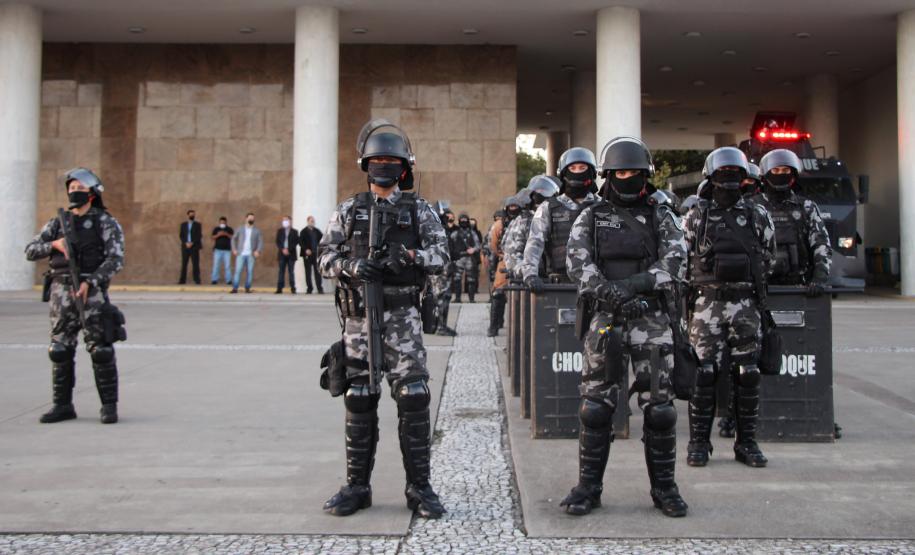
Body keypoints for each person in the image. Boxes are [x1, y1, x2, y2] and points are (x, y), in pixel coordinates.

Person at [318, 119, 448, 519]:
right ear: (366, 165)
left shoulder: (419, 210)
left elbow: (442, 255)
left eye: (392, 161)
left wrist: (408, 257)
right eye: (378, 160)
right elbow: (324, 257)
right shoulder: (349, 209)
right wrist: (353, 267)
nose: (384, 166)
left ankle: (419, 487)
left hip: (403, 317)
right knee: (359, 397)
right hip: (359, 319)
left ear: (404, 167)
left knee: (413, 396)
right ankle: (357, 487)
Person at [560, 137, 689, 518]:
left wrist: (634, 286)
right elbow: (577, 264)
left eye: (634, 172)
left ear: (646, 175)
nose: (627, 178)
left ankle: (665, 489)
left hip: (652, 319)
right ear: (608, 175)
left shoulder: (662, 215)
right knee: (595, 408)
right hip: (606, 319)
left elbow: (676, 261)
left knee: (660, 409)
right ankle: (588, 488)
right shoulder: (591, 215)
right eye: (620, 173)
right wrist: (610, 293)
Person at [682, 146, 776, 469]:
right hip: (707, 304)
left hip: (745, 304)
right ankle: (698, 443)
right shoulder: (697, 216)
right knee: (704, 374)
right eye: (723, 173)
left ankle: (746, 442)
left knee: (747, 373)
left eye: (735, 173)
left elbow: (768, 257)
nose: (729, 179)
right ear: (711, 177)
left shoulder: (757, 215)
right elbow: (683, 259)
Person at [25, 167, 125, 424]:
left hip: (92, 294)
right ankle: (62, 405)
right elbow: (31, 250)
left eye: (80, 189)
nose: (75, 192)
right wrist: (54, 245)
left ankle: (109, 407)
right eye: (72, 188)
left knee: (101, 350)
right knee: (59, 350)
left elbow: (115, 259)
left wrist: (91, 282)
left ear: (92, 193)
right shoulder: (58, 223)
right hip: (61, 293)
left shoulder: (105, 222)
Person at [520, 149, 600, 292]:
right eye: (572, 168)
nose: (577, 172)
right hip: (560, 286)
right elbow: (535, 242)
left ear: (591, 172)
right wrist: (530, 274)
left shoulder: (602, 206)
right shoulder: (549, 207)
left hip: (598, 286)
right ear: (563, 173)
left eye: (582, 168)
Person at [502, 176, 559, 284]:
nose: (540, 196)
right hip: (534, 281)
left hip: (563, 278)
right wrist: (529, 273)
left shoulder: (562, 215)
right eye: (537, 192)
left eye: (544, 192)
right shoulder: (524, 221)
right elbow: (512, 254)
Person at [487, 194, 525, 337]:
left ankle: (519, 329)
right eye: (511, 206)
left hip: (523, 262)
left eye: (516, 206)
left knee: (521, 294)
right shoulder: (499, 224)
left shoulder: (525, 221)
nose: (513, 209)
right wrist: (502, 256)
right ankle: (494, 326)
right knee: (498, 293)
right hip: (505, 261)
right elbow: (493, 244)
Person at [428, 201, 456, 336]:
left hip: (439, 269)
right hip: (440, 270)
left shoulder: (435, 228)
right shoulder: (439, 229)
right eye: (445, 215)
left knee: (437, 297)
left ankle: (435, 325)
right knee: (442, 297)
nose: (448, 217)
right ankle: (440, 327)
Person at [450, 212, 482, 303]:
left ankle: (471, 299)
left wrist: (473, 249)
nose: (463, 221)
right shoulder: (455, 233)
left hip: (469, 258)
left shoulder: (472, 233)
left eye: (465, 220)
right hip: (458, 258)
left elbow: (478, 245)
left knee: (471, 279)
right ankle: (457, 298)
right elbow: (450, 245)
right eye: (462, 220)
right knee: (457, 279)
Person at [231, 213, 263, 294]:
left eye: (253, 218)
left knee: (250, 271)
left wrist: (258, 250)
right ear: (246, 219)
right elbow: (233, 239)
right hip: (240, 253)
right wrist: (234, 249)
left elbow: (260, 241)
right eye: (250, 218)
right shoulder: (240, 229)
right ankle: (235, 288)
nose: (251, 219)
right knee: (238, 271)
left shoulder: (257, 230)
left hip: (251, 254)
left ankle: (247, 288)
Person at [300, 215, 324, 294]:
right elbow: (301, 242)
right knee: (308, 272)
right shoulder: (303, 231)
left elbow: (322, 240)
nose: (313, 222)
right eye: (311, 221)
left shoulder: (317, 231)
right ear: (308, 222)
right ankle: (309, 289)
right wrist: (306, 249)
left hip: (316, 254)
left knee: (317, 272)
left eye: (313, 221)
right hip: (307, 255)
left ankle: (319, 288)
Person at [275, 215, 299, 294]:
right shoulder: (280, 231)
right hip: (282, 254)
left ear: (290, 221)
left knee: (291, 271)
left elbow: (296, 242)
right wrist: (283, 249)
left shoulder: (295, 231)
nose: (284, 221)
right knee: (281, 271)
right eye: (283, 220)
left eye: (286, 220)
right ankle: (279, 288)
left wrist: (288, 249)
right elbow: (277, 241)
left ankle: (293, 288)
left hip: (291, 254)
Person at [178, 209, 202, 284]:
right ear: (188, 215)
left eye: (193, 214)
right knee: (184, 264)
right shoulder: (183, 224)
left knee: (195, 264)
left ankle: (197, 280)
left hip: (194, 247)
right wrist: (186, 242)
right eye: (191, 214)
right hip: (185, 247)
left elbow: (199, 235)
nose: (192, 215)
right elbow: (181, 235)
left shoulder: (198, 225)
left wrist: (192, 243)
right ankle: (182, 280)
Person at [211, 217, 234, 285]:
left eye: (224, 222)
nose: (222, 223)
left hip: (227, 250)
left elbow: (233, 237)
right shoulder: (216, 229)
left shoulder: (229, 229)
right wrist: (218, 235)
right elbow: (212, 237)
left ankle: (228, 280)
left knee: (227, 266)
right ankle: (214, 279)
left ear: (226, 222)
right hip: (217, 250)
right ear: (219, 222)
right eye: (221, 222)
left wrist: (226, 234)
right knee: (216, 265)